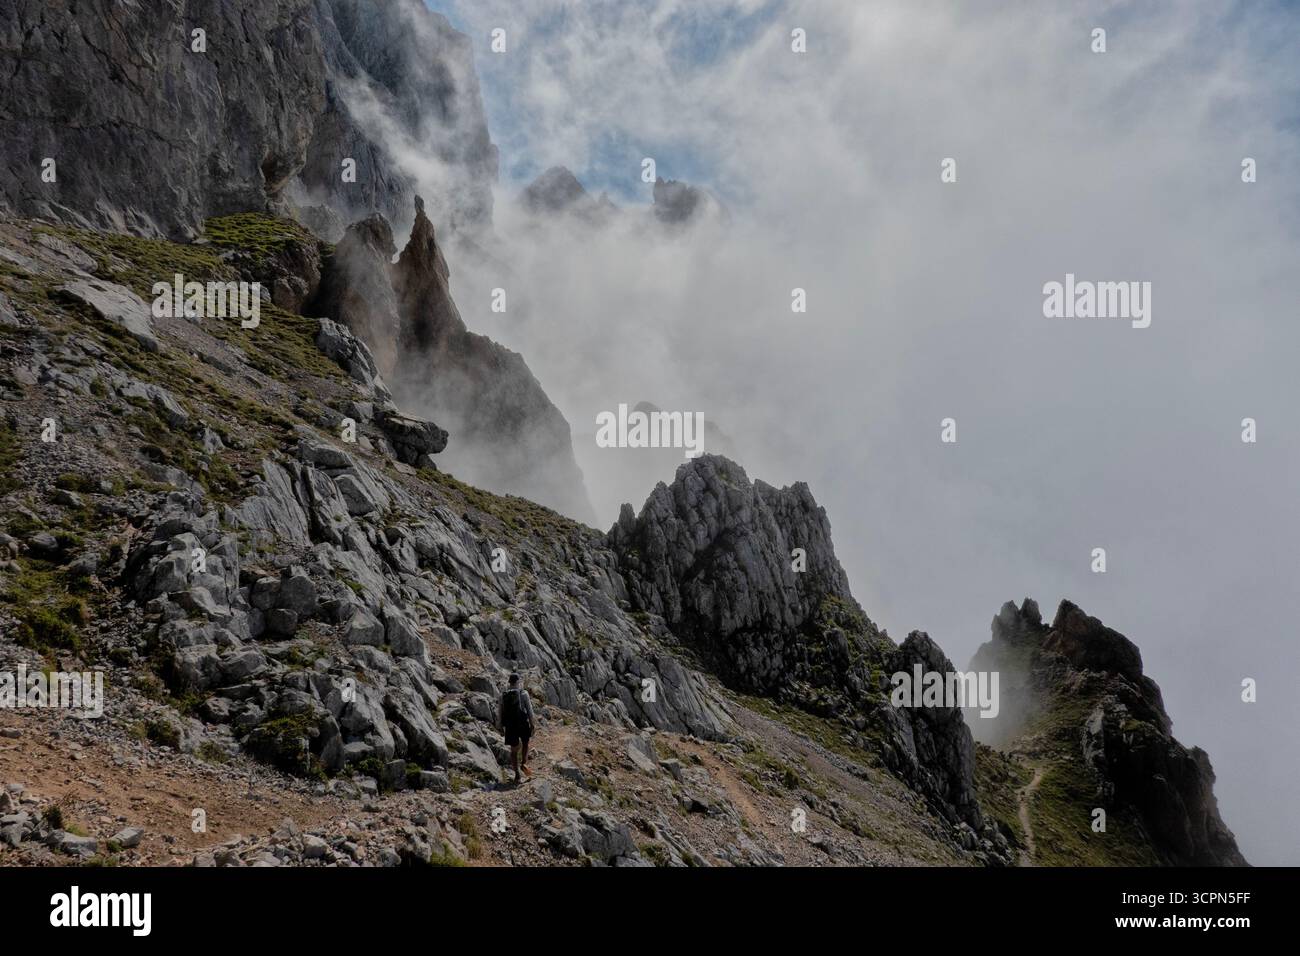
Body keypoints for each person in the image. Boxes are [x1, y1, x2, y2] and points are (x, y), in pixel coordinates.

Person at [499, 673, 535, 784]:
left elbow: (500, 711)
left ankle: (517, 776)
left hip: (510, 726)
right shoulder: (524, 693)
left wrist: (500, 726)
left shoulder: (503, 695)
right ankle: (524, 763)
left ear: (509, 682)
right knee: (525, 743)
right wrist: (533, 724)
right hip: (522, 723)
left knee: (513, 751)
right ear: (518, 682)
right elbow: (529, 710)